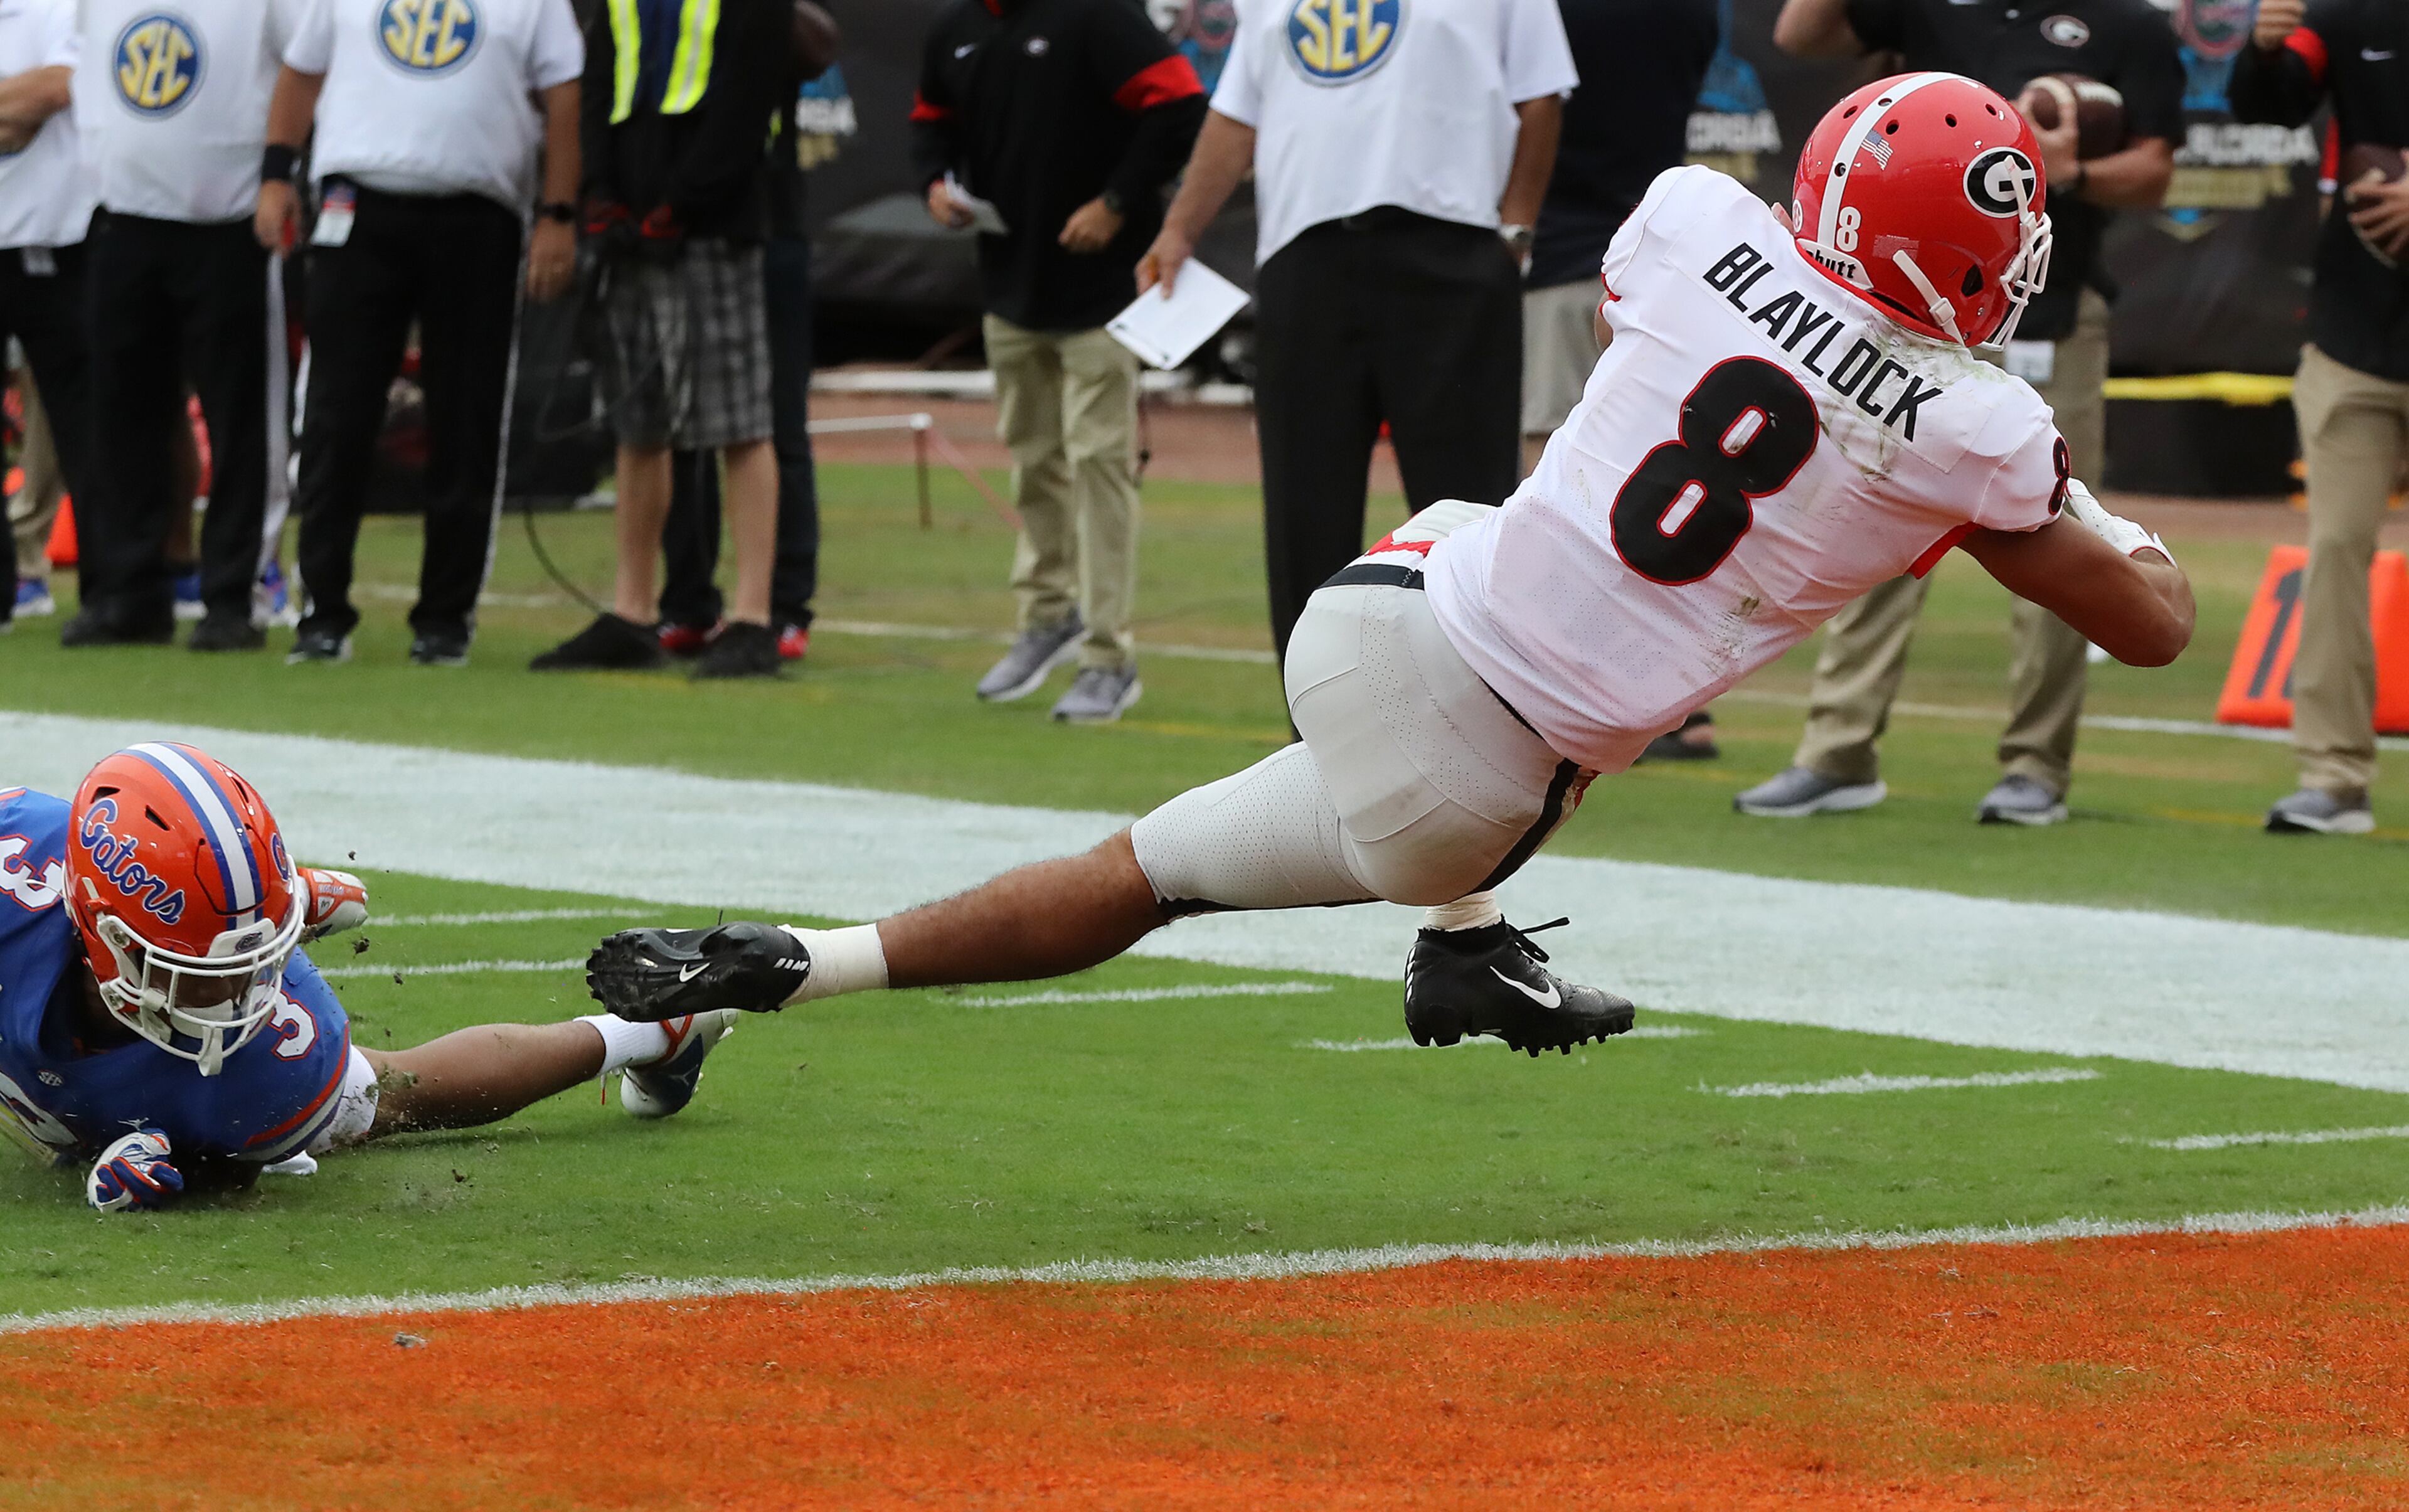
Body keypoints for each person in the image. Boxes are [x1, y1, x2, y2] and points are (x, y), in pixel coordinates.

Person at [588, 77, 2196, 1056]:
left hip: (1365, 623)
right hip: (1479, 788)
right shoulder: (1972, 425)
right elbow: (2151, 627)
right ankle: (1460, 938)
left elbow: (1696, 354)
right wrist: (2040, 518)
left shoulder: (1693, 219)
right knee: (1581, 674)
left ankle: (795, 963)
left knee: (1153, 859)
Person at [1738, 0, 2181, 826]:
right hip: (1908, 318)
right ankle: (1838, 748)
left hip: (2048, 308)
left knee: (2064, 541)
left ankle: (2035, 765)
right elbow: (1800, 34)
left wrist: (2067, 172)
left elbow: (2157, 170)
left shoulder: (2131, 23)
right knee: (1872, 517)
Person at [0, 745, 738, 1211]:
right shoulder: (17, 881)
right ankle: (296, 900)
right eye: (203, 977)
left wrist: (188, 1169)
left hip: (219, 984)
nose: (241, 1006)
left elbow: (238, 1154)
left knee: (390, 1096)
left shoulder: (269, 1054)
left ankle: (652, 1030)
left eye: (251, 967)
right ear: (103, 935)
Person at [1140, 0, 1576, 661]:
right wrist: (1178, 230)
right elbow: (1236, 118)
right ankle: (1312, 738)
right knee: (1303, 509)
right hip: (1305, 260)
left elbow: (1540, 98)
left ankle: (1483, 727)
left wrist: (1513, 233)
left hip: (1451, 254)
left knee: (1466, 513)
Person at [258, 0, 586, 669]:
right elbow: (300, 71)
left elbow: (564, 95)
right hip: (359, 205)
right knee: (334, 414)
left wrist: (558, 211)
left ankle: (445, 618)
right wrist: (274, 175)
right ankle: (322, 610)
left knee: (467, 418)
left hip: (478, 214)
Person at [910, 0, 1206, 722]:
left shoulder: (1097, 16)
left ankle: (1110, 655)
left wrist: (1116, 202)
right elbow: (930, 121)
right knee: (1032, 457)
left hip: (1102, 292)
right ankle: (1047, 615)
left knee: (1100, 465)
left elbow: (1181, 107)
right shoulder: (957, 32)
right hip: (1009, 286)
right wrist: (937, 185)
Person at [529, 0, 797, 679]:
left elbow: (747, 98)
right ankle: (633, 610)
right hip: (629, 230)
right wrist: (601, 194)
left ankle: (754, 616)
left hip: (712, 226)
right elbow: (600, 80)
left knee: (740, 423)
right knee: (639, 425)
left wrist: (682, 202)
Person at [66, 0, 298, 652]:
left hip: (227, 221)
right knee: (123, 415)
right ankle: (132, 589)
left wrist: (282, 174)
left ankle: (233, 594)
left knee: (239, 419)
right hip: (124, 215)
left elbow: (303, 64)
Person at [2228, 0, 2409, 836]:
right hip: (2355, 334)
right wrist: (2262, 52)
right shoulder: (2349, 13)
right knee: (2336, 549)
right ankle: (2334, 778)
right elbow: (2267, 103)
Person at [1524, 0, 1721, 764]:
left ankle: (1567, 689)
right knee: (1668, 474)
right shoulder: (1693, 13)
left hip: (1561, 254)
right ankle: (1681, 704)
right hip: (1660, 267)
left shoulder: (1550, 14)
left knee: (1560, 480)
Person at [657, 88, 838, 668]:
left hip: (762, 224)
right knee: (675, 424)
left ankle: (783, 607)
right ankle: (687, 603)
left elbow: (817, 43)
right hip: (671, 231)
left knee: (775, 422)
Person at [0, 0, 95, 634]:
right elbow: (19, 113)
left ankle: (118, 593)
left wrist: (28, 107)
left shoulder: (64, 5)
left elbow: (63, 87)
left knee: (89, 426)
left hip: (56, 237)